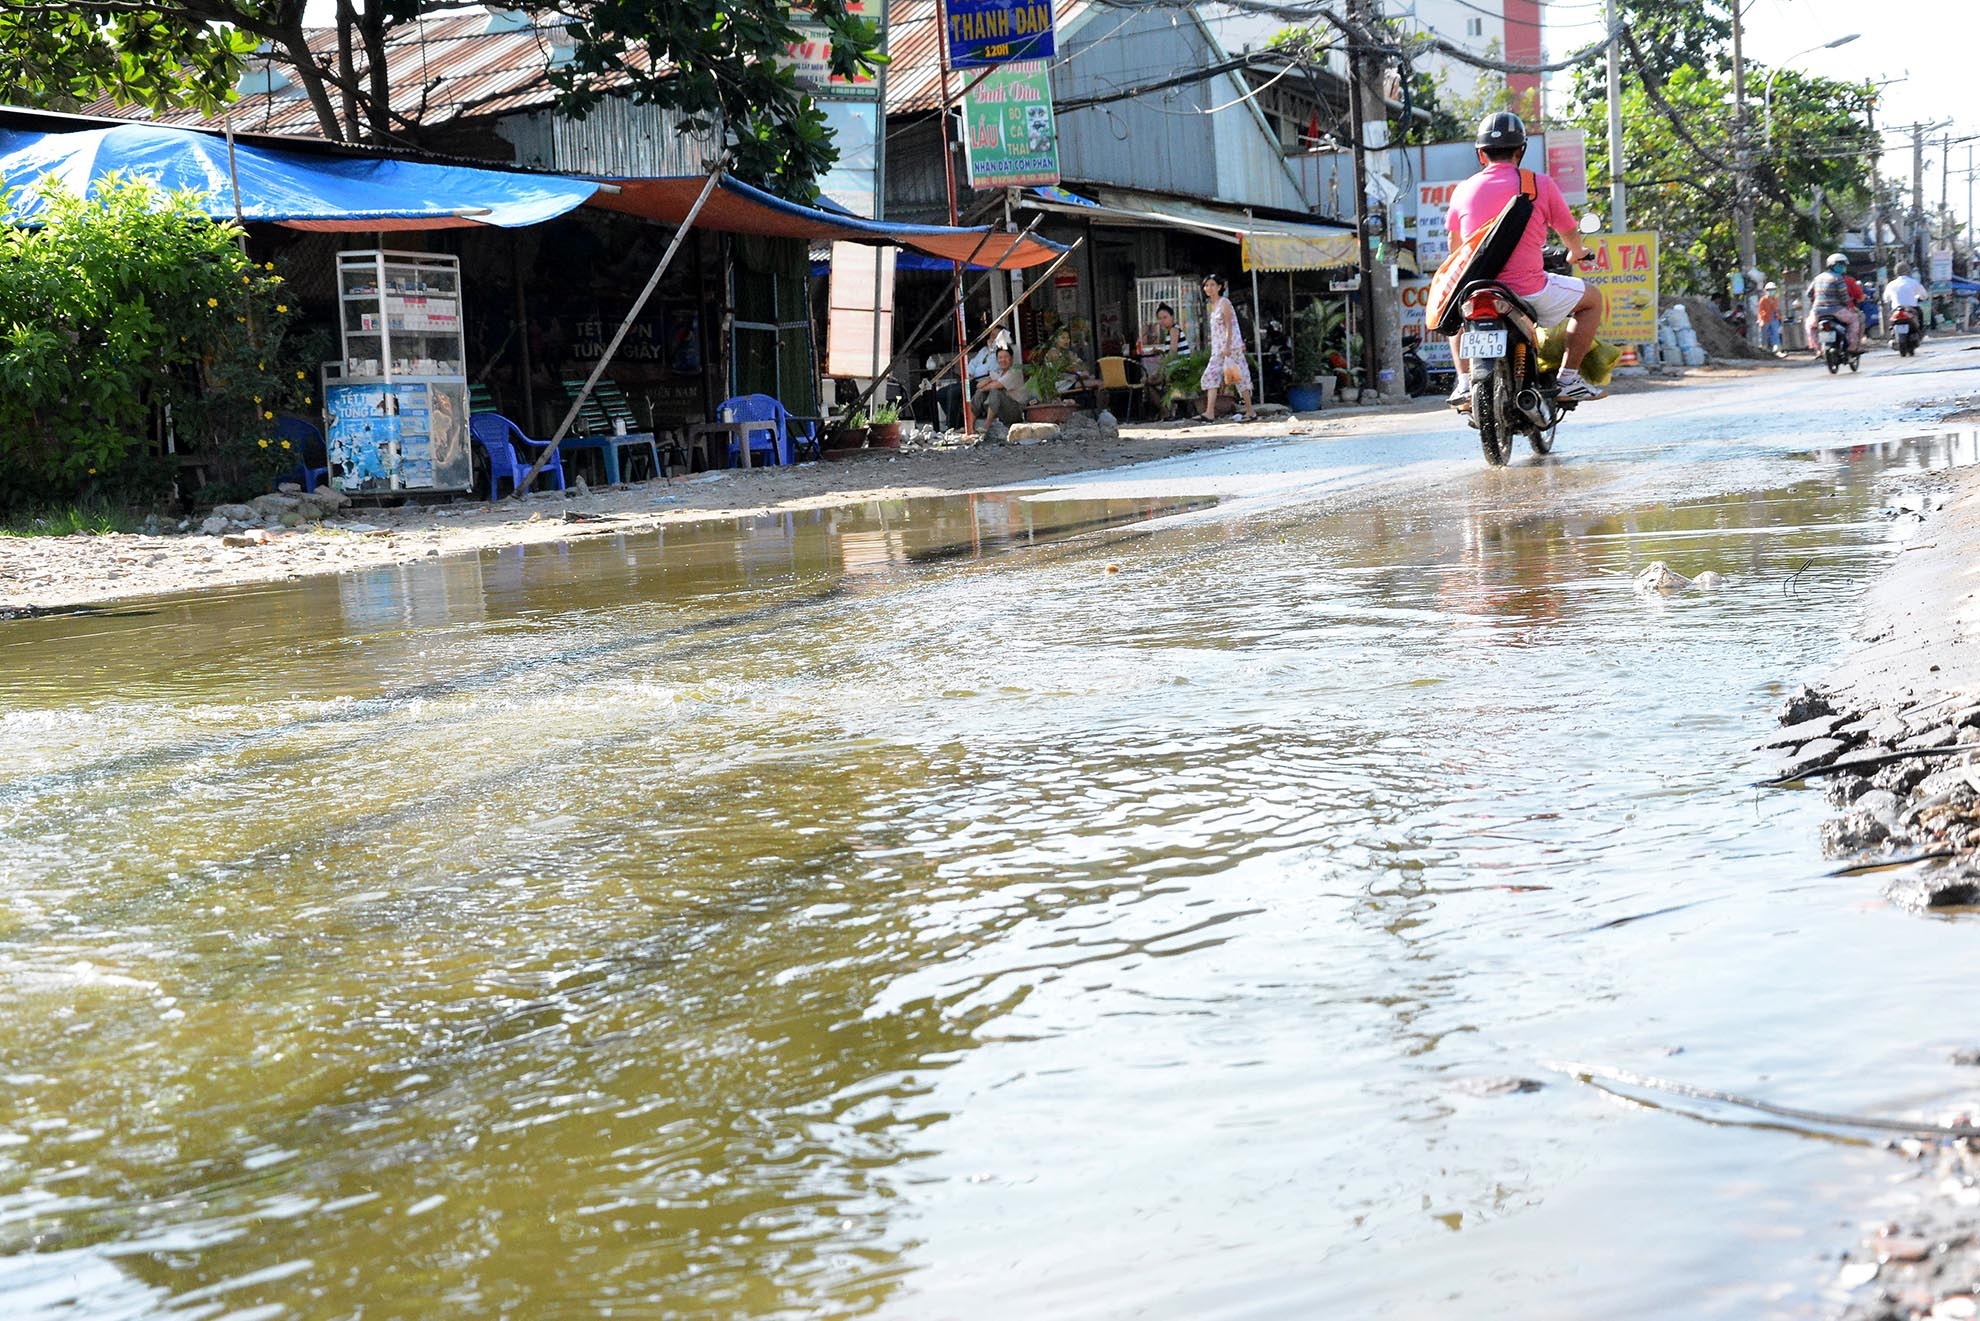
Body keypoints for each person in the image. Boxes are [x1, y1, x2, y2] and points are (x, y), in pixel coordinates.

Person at [1444, 111, 1605, 405]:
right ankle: (1568, 380)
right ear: (1521, 151)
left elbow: (1454, 250)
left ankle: (1464, 383)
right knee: (1593, 300)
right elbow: (1568, 230)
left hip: (1476, 288)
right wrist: (1577, 252)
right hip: (1528, 291)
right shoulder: (1538, 184)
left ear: (1481, 154)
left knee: (1454, 314)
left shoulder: (1462, 190)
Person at [1197, 273, 1255, 422]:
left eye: (1212, 285)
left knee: (1240, 377)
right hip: (1218, 349)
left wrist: (1228, 345)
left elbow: (1230, 325)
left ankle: (1250, 411)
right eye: (1206, 285)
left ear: (1219, 287)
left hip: (1231, 347)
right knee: (1211, 375)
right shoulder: (1213, 305)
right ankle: (1209, 412)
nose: (1208, 288)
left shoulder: (1225, 303)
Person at [1804, 252, 1862, 353]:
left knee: (1810, 325)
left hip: (1817, 311)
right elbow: (1844, 297)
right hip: (1836, 310)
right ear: (1832, 265)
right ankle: (1852, 345)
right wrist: (1849, 306)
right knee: (1854, 319)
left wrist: (1816, 302)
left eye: (1843, 265)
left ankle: (1817, 348)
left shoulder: (1817, 278)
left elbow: (1809, 294)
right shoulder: (1838, 278)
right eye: (1841, 265)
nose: (1843, 267)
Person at [971, 345, 1028, 425]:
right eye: (1000, 357)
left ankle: (986, 426)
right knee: (979, 393)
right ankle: (970, 425)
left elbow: (996, 386)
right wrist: (990, 379)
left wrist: (985, 387)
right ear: (997, 360)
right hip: (1001, 409)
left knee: (995, 392)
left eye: (1005, 357)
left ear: (1011, 359)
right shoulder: (999, 372)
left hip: (1015, 411)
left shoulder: (1014, 372)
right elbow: (978, 386)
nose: (1003, 360)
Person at [1885, 261, 1927, 342]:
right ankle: (1920, 333)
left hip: (1896, 309)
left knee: (1890, 318)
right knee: (1920, 314)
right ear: (1908, 271)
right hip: (1911, 309)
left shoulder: (1891, 284)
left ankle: (1891, 333)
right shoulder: (1914, 282)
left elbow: (1886, 298)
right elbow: (1924, 295)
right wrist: (1921, 297)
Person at [1756, 282, 1782, 354]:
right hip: (1765, 319)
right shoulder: (1763, 300)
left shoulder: (1775, 299)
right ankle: (1763, 349)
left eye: (1773, 289)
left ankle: (1776, 349)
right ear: (1766, 291)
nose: (1771, 291)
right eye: (1769, 290)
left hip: (1774, 318)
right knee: (1764, 335)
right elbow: (1760, 311)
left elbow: (1776, 309)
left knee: (1775, 334)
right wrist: (1761, 320)